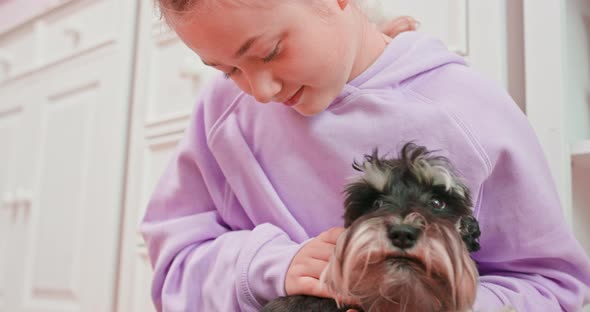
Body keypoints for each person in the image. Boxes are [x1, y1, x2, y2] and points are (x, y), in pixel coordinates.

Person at [140, 1, 590, 311]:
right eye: (228, 69)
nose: (260, 90)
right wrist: (268, 266)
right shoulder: (222, 111)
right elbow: (173, 271)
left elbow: (552, 287)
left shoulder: (470, 111)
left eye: (269, 52)